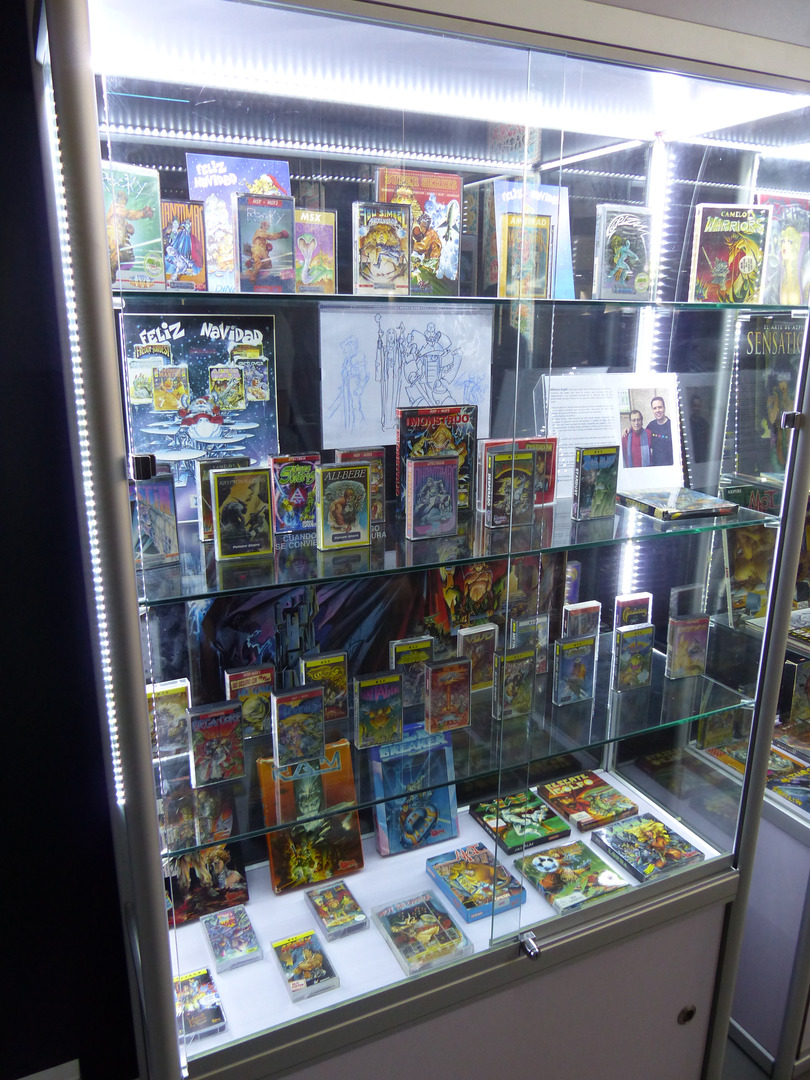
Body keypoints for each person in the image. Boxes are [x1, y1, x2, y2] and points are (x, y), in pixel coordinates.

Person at [646, 396, 673, 466]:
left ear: (664, 408)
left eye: (660, 407)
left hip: (670, 466)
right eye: (655, 408)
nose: (657, 410)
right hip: (656, 466)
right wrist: (630, 429)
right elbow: (640, 434)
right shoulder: (651, 425)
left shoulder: (672, 425)